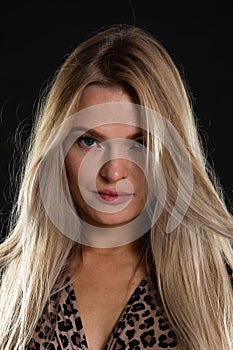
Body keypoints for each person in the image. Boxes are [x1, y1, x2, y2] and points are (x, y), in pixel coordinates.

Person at [0, 24, 233, 350]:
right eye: (90, 141)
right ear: (57, 148)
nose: (113, 171)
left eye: (139, 144)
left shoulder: (217, 291)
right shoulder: (15, 289)